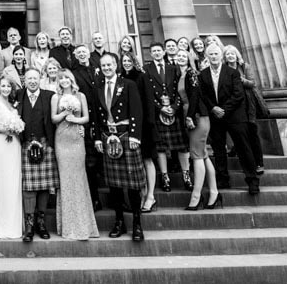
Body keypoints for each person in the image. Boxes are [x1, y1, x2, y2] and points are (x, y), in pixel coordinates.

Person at [93, 53, 145, 242]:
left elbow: (137, 111)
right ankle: (119, 222)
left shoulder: (128, 85)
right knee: (114, 185)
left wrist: (135, 136)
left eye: (109, 64)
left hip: (126, 136)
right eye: (103, 65)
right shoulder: (98, 87)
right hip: (108, 137)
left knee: (132, 185)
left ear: (116, 65)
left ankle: (137, 224)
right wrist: (97, 138)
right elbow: (96, 116)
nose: (107, 68)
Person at [200, 43, 260, 195]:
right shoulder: (203, 74)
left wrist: (224, 110)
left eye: (216, 53)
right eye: (211, 54)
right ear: (207, 56)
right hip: (215, 117)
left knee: (243, 148)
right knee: (218, 149)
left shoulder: (232, 72)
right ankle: (223, 179)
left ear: (221, 56)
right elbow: (203, 95)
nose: (214, 56)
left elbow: (238, 94)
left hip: (235, 115)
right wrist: (213, 108)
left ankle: (252, 180)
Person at [141, 40, 191, 209]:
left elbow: (179, 90)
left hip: (174, 112)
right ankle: (165, 177)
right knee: (161, 147)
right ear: (150, 53)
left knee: (182, 146)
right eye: (153, 51)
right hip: (158, 112)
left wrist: (174, 107)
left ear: (163, 52)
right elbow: (148, 93)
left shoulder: (173, 68)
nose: (156, 53)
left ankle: (186, 176)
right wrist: (160, 108)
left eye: (159, 50)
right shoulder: (146, 69)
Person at [51, 69, 99, 241]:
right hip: (62, 138)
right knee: (65, 179)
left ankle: (84, 225)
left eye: (66, 78)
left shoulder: (81, 96)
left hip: (77, 138)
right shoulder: (56, 97)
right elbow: (53, 118)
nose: (64, 80)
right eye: (61, 78)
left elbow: (86, 118)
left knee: (79, 178)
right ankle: (68, 226)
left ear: (72, 79)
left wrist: (76, 120)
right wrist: (65, 113)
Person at [18, 68, 59, 242]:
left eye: (35, 78)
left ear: (40, 79)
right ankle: (29, 225)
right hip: (25, 144)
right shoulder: (17, 95)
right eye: (29, 79)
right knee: (28, 186)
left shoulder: (50, 96)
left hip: (45, 143)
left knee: (44, 186)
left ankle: (41, 223)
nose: (33, 81)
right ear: (24, 80)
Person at [181, 49, 220, 211]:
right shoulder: (182, 74)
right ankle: (214, 192)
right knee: (203, 155)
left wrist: (190, 116)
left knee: (196, 155)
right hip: (191, 116)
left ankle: (196, 196)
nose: (180, 57)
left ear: (189, 58)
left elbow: (195, 95)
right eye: (178, 55)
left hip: (197, 116)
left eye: (183, 55)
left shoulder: (191, 73)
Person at [0, 74, 24, 239]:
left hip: (14, 144)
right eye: (3, 86)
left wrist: (17, 128)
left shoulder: (13, 104)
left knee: (14, 181)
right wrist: (5, 129)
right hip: (1, 143)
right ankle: (2, 227)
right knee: (3, 182)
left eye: (8, 86)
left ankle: (15, 226)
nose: (6, 89)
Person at [69, 45, 103, 211]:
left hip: (104, 117)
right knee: (90, 162)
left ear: (88, 53)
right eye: (79, 52)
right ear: (75, 55)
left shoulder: (99, 69)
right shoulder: (74, 74)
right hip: (87, 119)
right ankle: (94, 198)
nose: (82, 54)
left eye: (84, 51)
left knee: (105, 160)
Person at [224, 45, 265, 176]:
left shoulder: (244, 67)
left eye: (232, 53)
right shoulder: (224, 69)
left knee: (253, 134)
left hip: (248, 105)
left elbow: (252, 83)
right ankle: (248, 164)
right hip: (234, 108)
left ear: (237, 55)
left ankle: (259, 163)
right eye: (228, 54)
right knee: (241, 136)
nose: (230, 56)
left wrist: (239, 79)